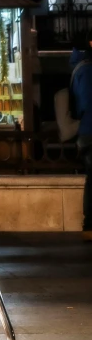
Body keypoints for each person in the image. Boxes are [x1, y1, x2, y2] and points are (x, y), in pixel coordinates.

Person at [72, 37, 92, 240]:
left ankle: (89, 225)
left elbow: (81, 105)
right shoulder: (87, 71)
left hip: (86, 131)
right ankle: (89, 224)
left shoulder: (80, 69)